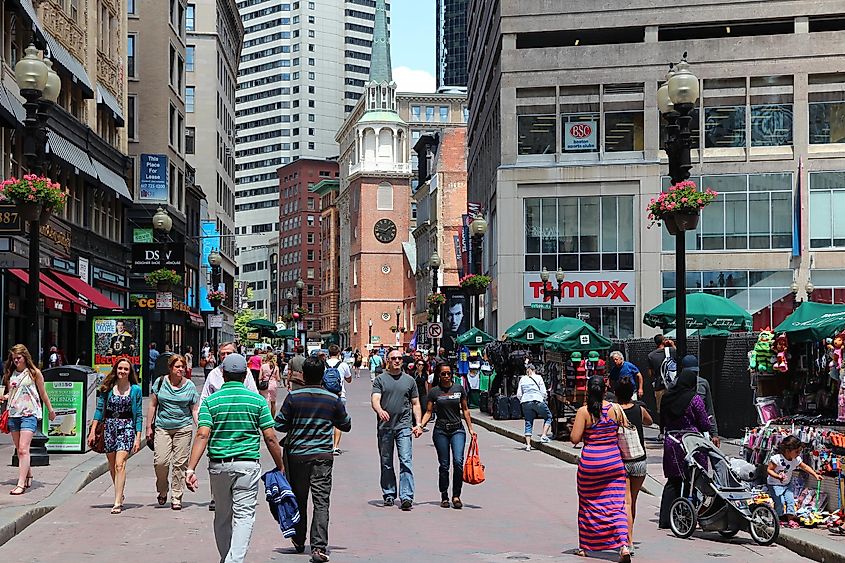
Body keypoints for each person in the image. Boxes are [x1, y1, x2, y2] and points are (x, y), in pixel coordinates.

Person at [185, 354, 284, 563]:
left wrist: (191, 468)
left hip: (219, 465)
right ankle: (234, 560)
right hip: (247, 465)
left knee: (222, 516)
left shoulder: (211, 401)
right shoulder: (257, 401)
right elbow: (270, 437)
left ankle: (227, 557)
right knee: (244, 516)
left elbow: (202, 434)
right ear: (245, 374)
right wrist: (280, 465)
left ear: (223, 373)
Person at [275, 356, 352, 561]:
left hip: (297, 455)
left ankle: (299, 539)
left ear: (303, 375)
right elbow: (346, 424)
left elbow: (280, 424)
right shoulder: (332, 399)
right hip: (322, 456)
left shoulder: (293, 397)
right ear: (323, 376)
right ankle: (318, 547)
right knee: (321, 501)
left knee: (299, 498)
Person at [570, 376, 630, 562]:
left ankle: (586, 547)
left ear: (588, 391)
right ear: (606, 390)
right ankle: (623, 545)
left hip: (591, 464)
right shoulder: (615, 409)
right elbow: (626, 429)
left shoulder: (583, 412)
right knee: (616, 506)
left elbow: (574, 439)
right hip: (613, 462)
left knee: (588, 505)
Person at [199, 342, 258, 512]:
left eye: (229, 353)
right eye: (223, 353)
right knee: (217, 460)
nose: (225, 356)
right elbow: (204, 399)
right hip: (218, 425)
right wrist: (203, 423)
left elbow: (253, 396)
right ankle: (216, 496)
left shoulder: (244, 375)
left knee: (239, 460)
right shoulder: (213, 375)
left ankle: (238, 495)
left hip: (239, 423)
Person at [657, 367, 713, 529]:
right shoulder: (694, 399)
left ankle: (667, 519)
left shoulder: (667, 397)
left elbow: (662, 421)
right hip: (691, 442)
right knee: (693, 479)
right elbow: (704, 423)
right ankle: (689, 516)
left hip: (672, 441)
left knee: (673, 480)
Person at [87, 358, 143, 514]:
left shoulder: (135, 390)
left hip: (127, 427)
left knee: (120, 464)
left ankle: (117, 501)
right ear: (115, 370)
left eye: (126, 369)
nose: (122, 372)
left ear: (130, 372)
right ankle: (120, 492)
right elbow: (99, 410)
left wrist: (138, 437)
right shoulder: (108, 388)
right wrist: (93, 430)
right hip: (110, 427)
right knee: (112, 466)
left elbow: (138, 415)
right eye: (120, 369)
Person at [146, 354, 199, 511]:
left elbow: (194, 409)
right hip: (162, 427)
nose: (181, 369)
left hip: (183, 427)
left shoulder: (189, 386)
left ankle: (176, 496)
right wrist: (149, 427)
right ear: (170, 368)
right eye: (177, 366)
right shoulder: (161, 382)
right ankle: (163, 489)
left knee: (179, 464)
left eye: (183, 366)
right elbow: (152, 405)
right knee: (160, 462)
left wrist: (201, 427)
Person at [371, 349, 422, 510]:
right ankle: (389, 493)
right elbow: (375, 399)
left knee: (405, 460)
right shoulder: (380, 380)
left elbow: (416, 403)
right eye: (394, 358)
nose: (397, 361)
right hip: (385, 427)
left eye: (400, 358)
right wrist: (380, 411)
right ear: (388, 360)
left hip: (404, 426)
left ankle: (406, 496)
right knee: (386, 462)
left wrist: (418, 424)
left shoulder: (409, 381)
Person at [2, 344, 56, 495]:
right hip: (13, 413)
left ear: (25, 357)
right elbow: (10, 393)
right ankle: (28, 474)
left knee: (23, 448)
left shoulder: (34, 373)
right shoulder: (10, 373)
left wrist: (50, 410)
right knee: (20, 450)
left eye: (18, 358)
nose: (16, 361)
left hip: (29, 414)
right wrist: (4, 397)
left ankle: (21, 484)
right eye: (13, 359)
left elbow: (43, 393)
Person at [419, 362, 474, 509]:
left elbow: (466, 409)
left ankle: (456, 496)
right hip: (441, 431)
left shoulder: (458, 389)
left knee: (458, 462)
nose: (446, 376)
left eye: (448, 373)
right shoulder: (434, 392)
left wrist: (470, 429)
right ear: (438, 375)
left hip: (457, 430)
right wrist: (420, 426)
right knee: (444, 465)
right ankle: (444, 495)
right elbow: (429, 412)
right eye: (443, 373)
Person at [614, 376, 652, 554]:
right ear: (632, 393)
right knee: (632, 502)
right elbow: (650, 422)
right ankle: (629, 536)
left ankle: (626, 541)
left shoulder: (613, 411)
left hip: (620, 461)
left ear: (616, 393)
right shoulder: (639, 409)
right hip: (639, 461)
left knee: (624, 503)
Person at [767, 435, 823, 528]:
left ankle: (790, 519)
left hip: (787, 484)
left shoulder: (796, 459)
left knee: (790, 501)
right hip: (774, 484)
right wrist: (778, 476)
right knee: (780, 502)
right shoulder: (777, 459)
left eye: (800, 452)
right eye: (797, 451)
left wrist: (815, 475)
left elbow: (804, 467)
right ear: (788, 451)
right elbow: (769, 470)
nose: (798, 454)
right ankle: (778, 518)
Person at [679, 354, 721, 447]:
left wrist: (714, 434)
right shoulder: (675, 385)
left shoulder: (703, 383)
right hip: (681, 431)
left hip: (699, 431)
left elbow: (709, 409)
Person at [517, 363, 553, 450]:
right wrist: (543, 398)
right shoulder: (539, 377)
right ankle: (544, 435)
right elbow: (544, 392)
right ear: (534, 370)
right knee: (548, 416)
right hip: (537, 400)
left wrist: (523, 400)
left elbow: (519, 394)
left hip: (525, 401)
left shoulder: (522, 379)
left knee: (528, 421)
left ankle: (528, 445)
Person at [326, 345, 353, 456]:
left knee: (326, 420)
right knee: (338, 421)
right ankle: (335, 447)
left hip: (326, 395)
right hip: (339, 395)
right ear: (339, 353)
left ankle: (326, 444)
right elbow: (349, 379)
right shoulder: (343, 365)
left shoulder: (324, 364)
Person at [646, 335, 674, 439]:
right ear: (664, 341)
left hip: (659, 385)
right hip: (672, 385)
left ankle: (662, 431)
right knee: (673, 407)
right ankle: (673, 429)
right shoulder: (671, 351)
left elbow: (650, 373)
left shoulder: (651, 355)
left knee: (661, 410)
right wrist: (672, 344)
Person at [259, 352, 281, 417]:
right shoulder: (276, 367)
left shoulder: (263, 366)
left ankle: (266, 417)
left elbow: (260, 377)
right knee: (273, 403)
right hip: (273, 385)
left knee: (265, 402)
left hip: (265, 385)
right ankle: (272, 418)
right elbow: (278, 378)